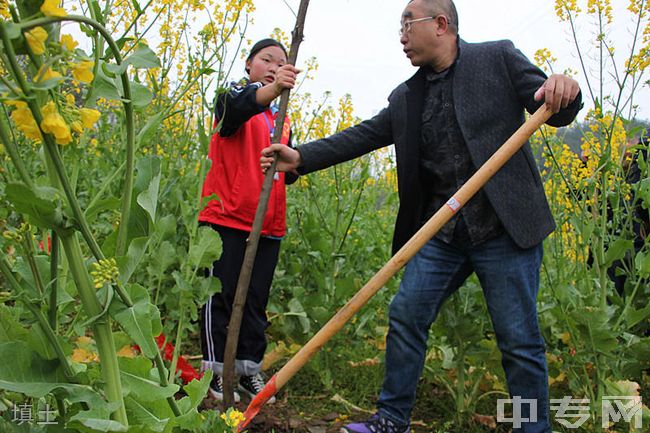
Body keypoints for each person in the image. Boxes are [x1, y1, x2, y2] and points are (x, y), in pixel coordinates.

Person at [261, 1, 582, 432]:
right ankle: (391, 420)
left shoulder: (497, 58)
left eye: (407, 25)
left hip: (504, 230)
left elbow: (553, 105)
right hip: (441, 234)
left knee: (519, 342)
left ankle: (533, 427)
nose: (401, 37)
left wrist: (565, 89)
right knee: (407, 315)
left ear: (441, 24)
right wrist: (301, 156)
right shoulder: (406, 97)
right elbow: (364, 136)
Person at [198, 38, 300, 403]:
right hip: (226, 217)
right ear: (248, 64)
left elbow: (289, 170)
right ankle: (213, 373)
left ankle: (246, 371)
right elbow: (236, 110)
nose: (274, 66)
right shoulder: (232, 99)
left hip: (268, 223)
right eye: (266, 60)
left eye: (281, 62)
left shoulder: (282, 116)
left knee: (255, 303)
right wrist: (271, 89)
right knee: (218, 297)